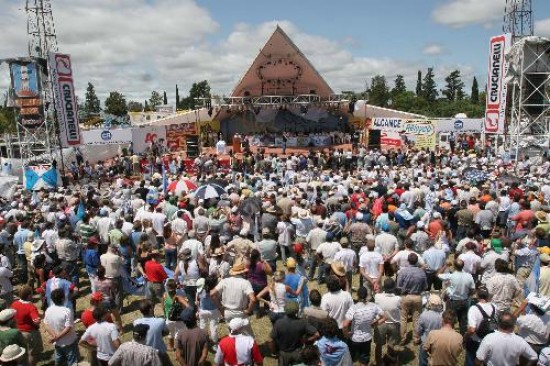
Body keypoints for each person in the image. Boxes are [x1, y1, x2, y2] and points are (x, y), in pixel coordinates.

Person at [210, 260, 256, 336]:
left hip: (227, 313)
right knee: (249, 336)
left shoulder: (224, 281)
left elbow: (212, 293)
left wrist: (220, 307)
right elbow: (253, 299)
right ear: (243, 272)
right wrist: (248, 310)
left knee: (234, 335)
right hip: (240, 313)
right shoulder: (245, 283)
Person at [342, 287, 386, 366]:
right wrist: (375, 323)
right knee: (364, 359)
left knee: (351, 358)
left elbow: (345, 324)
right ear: (367, 295)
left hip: (354, 338)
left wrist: (346, 334)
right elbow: (384, 317)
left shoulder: (354, 308)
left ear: (357, 295)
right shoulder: (373, 306)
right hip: (367, 338)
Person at [269, 301, 319, 366]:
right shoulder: (303, 322)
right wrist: (306, 340)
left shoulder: (278, 323)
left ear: (285, 310)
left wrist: (274, 352)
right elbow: (317, 334)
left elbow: (270, 340)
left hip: (284, 354)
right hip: (298, 352)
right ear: (297, 311)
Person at [396, 253, 427, 344]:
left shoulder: (403, 271)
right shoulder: (421, 272)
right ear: (417, 261)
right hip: (417, 296)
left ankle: (403, 338)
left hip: (406, 296)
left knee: (403, 318)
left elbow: (398, 286)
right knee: (416, 318)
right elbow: (425, 287)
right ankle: (416, 338)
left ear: (408, 261)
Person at [438, 258, 475, 334]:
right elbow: (473, 290)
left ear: (454, 266)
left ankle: (451, 336)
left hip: (453, 301)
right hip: (464, 301)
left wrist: (446, 265)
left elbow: (438, 274)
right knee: (463, 322)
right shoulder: (469, 276)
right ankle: (462, 338)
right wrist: (468, 295)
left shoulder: (451, 276)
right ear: (463, 266)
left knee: (450, 320)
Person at [43, 288, 79, 366]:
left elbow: (46, 325)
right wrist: (56, 337)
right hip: (69, 342)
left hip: (57, 343)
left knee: (59, 361)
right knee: (72, 362)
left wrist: (54, 336)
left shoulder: (48, 310)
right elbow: (68, 327)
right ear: (63, 298)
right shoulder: (67, 311)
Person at [10, 285, 42, 366]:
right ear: (29, 296)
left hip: (17, 331)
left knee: (22, 353)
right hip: (29, 333)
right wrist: (40, 317)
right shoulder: (31, 307)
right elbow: (36, 321)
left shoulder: (14, 304)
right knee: (32, 353)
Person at [132, 299, 170, 365]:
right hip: (159, 352)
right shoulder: (160, 321)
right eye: (152, 306)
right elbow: (166, 332)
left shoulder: (136, 322)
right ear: (150, 309)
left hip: (144, 354)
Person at [373, 278, 401, 365]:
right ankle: (390, 360)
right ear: (393, 287)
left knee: (378, 344)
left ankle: (378, 361)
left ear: (383, 287)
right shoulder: (398, 299)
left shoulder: (377, 297)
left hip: (380, 323)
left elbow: (376, 294)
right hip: (393, 323)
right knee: (391, 344)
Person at [416, 294, 443, 366]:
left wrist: (418, 336)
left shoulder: (424, 315)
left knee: (423, 360)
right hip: (438, 341)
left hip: (426, 341)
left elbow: (419, 329)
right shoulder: (442, 315)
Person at [162, 279, 188, 352]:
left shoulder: (164, 295)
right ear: (176, 287)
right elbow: (186, 306)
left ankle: (170, 347)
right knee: (179, 334)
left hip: (169, 318)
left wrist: (165, 315)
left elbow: (163, 306)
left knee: (171, 333)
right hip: (178, 319)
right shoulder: (179, 296)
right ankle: (179, 350)